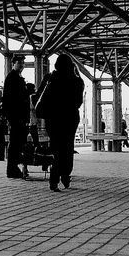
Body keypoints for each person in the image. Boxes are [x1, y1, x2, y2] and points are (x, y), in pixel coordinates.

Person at [36, 54, 84, 192]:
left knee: (56, 148)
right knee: (67, 148)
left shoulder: (49, 78)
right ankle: (65, 175)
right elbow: (79, 102)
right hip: (70, 118)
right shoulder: (77, 81)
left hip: (53, 119)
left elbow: (39, 96)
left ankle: (54, 180)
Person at [2, 56, 30, 179]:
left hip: (19, 117)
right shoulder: (12, 78)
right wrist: (11, 117)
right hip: (16, 116)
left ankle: (14, 168)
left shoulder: (17, 78)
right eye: (19, 63)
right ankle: (12, 169)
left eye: (23, 63)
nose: (22, 65)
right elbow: (10, 99)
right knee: (14, 143)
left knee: (17, 143)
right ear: (13, 63)